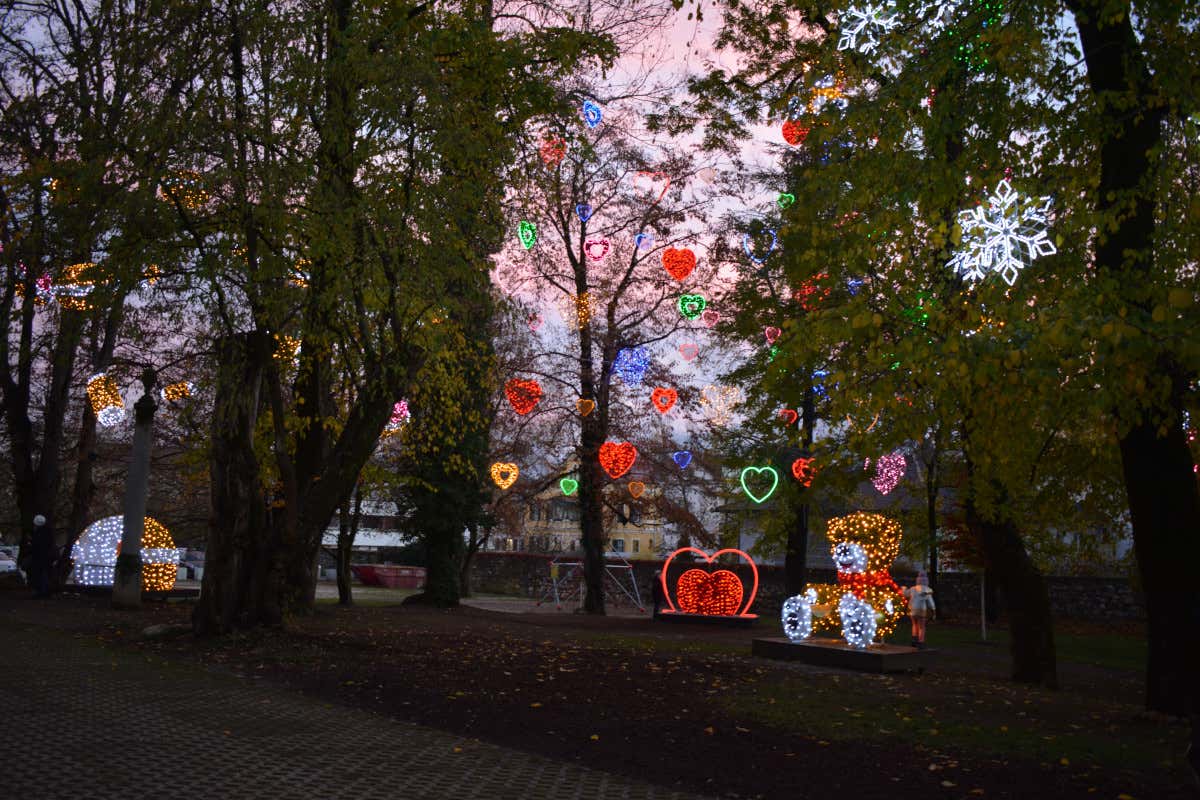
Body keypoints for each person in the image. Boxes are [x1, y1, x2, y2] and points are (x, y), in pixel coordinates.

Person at [903, 570, 935, 648]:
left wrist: (903, 589)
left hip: (912, 609)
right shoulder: (927, 589)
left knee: (914, 625)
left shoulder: (913, 588)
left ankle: (914, 640)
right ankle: (921, 642)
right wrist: (933, 609)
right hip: (921, 609)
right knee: (922, 626)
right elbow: (930, 602)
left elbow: (905, 594)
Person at [29, 514, 55, 598]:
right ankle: (45, 591)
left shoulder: (39, 533)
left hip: (40, 557)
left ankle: (41, 592)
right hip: (47, 557)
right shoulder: (49, 532)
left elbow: (36, 545)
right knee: (45, 574)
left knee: (40, 575)